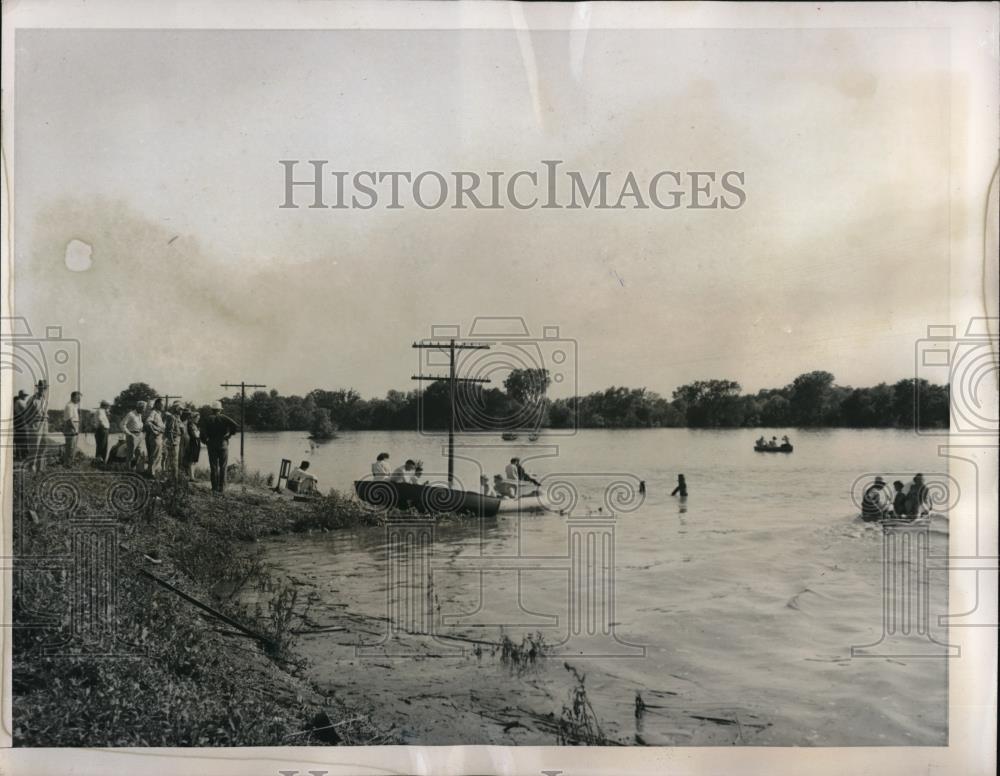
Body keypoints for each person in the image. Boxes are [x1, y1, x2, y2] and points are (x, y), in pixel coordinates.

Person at [200, 401, 239, 493]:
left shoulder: (207, 419)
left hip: (212, 444)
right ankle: (222, 488)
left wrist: (206, 440)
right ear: (220, 410)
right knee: (223, 466)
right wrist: (229, 435)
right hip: (223, 444)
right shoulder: (224, 418)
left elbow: (202, 432)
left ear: (212, 410)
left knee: (213, 466)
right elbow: (235, 425)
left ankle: (214, 488)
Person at [26, 380, 49, 471]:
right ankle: (31, 467)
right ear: (37, 388)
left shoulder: (45, 400)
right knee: (34, 446)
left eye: (44, 388)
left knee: (44, 444)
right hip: (35, 423)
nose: (43, 390)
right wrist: (31, 425)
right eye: (41, 388)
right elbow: (26, 414)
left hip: (45, 423)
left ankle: (40, 467)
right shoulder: (32, 400)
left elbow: (45, 412)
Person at [144, 398, 166, 477]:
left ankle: (153, 472)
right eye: (162, 405)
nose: (163, 406)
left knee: (157, 455)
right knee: (154, 455)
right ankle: (152, 473)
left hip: (159, 437)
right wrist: (156, 430)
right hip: (155, 437)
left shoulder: (159, 414)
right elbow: (148, 422)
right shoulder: (153, 413)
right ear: (157, 404)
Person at [162, 402, 184, 480]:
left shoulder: (178, 418)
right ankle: (173, 478)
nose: (182, 411)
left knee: (175, 460)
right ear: (177, 409)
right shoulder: (172, 417)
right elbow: (170, 431)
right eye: (181, 410)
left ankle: (174, 477)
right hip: (174, 440)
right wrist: (172, 441)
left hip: (177, 439)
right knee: (173, 460)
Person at [122, 401, 146, 471]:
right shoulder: (131, 414)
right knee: (130, 454)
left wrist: (141, 434)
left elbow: (138, 425)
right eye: (143, 408)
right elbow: (122, 424)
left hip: (139, 435)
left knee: (138, 453)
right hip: (132, 435)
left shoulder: (139, 415)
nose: (144, 410)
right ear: (139, 407)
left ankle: (136, 469)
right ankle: (127, 470)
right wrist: (129, 434)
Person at [63, 390, 82, 464]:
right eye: (78, 398)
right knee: (70, 447)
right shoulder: (69, 406)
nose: (79, 400)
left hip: (74, 427)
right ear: (73, 397)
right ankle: (67, 464)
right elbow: (69, 420)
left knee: (73, 447)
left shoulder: (74, 406)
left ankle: (70, 463)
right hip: (70, 427)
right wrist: (75, 429)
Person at [12, 389, 30, 461]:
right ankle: (23, 455)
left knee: (19, 439)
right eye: (24, 395)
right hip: (22, 422)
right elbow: (26, 411)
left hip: (19, 423)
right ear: (21, 395)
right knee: (24, 439)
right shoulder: (20, 402)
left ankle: (19, 455)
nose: (25, 397)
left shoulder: (17, 402)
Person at [184, 411, 201, 478]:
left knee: (194, 460)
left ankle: (191, 476)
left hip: (196, 443)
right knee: (191, 460)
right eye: (197, 418)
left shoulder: (194, 425)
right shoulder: (190, 424)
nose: (198, 420)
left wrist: (198, 432)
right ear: (193, 418)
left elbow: (197, 434)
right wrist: (198, 432)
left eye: (198, 418)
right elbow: (195, 435)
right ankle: (191, 477)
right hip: (193, 443)